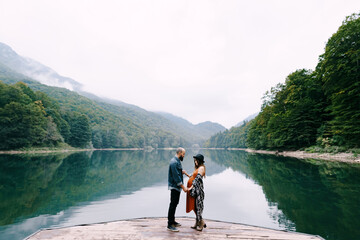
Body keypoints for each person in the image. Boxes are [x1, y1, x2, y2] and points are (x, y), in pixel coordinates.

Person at [167, 147, 190, 232]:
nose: (184, 156)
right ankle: (169, 224)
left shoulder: (177, 161)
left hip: (177, 187)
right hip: (174, 186)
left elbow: (177, 171)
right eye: (183, 154)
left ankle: (172, 221)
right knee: (173, 204)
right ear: (180, 153)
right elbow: (176, 177)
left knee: (175, 203)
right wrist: (183, 187)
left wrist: (182, 171)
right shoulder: (173, 162)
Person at [186, 154, 206, 231]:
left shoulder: (201, 168)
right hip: (195, 191)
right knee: (195, 207)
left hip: (199, 191)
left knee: (198, 207)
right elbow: (192, 176)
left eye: (196, 160)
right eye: (194, 160)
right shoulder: (198, 168)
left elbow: (197, 178)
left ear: (199, 161)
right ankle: (197, 222)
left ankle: (201, 223)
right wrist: (186, 173)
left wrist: (191, 187)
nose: (194, 162)